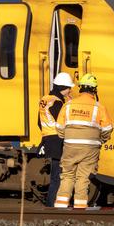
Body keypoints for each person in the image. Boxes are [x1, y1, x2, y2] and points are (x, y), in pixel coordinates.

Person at [54, 73, 113, 209]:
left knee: (67, 176)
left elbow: (59, 127)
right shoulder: (99, 107)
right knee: (83, 177)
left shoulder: (68, 105)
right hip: (90, 148)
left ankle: (60, 208)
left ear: (80, 88)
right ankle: (80, 208)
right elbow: (108, 129)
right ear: (94, 90)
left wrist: (67, 137)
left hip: (70, 146)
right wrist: (100, 140)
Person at [37, 72, 75, 206]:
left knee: (55, 175)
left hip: (48, 139)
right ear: (63, 87)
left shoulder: (45, 99)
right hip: (58, 140)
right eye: (69, 87)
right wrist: (70, 105)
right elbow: (63, 122)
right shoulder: (58, 102)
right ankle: (52, 205)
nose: (70, 90)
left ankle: (52, 204)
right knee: (58, 176)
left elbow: (39, 122)